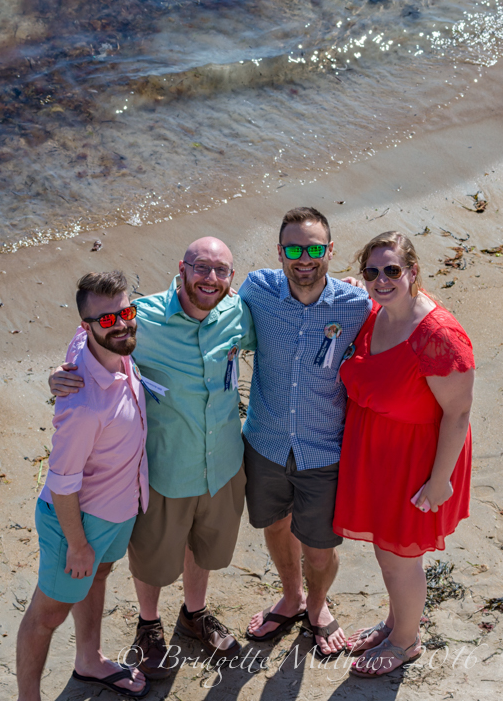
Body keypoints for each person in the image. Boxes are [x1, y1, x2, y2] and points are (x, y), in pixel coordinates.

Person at [49, 238, 256, 678]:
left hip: (222, 463)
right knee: (152, 557)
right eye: (201, 267)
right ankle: (148, 625)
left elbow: (279, 323)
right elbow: (92, 334)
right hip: (165, 468)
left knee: (203, 546)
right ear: (182, 268)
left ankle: (195, 614)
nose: (210, 278)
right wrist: (62, 371)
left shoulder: (238, 312)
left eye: (221, 270)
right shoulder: (141, 315)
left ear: (231, 277)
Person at [332, 231, 475, 677]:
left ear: (413, 271)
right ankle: (396, 623)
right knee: (388, 550)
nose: (381, 279)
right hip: (379, 449)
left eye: (392, 270)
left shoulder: (438, 334)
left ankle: (405, 642)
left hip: (418, 458)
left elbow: (459, 412)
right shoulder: (376, 311)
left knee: (400, 556)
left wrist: (439, 480)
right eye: (371, 271)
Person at [239, 207, 372, 658]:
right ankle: (292, 596)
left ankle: (317, 605)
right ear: (279, 252)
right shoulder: (256, 290)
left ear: (330, 251)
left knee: (319, 547)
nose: (304, 259)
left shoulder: (356, 305)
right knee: (276, 525)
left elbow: (406, 315)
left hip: (324, 450)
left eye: (314, 249)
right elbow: (196, 302)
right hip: (266, 442)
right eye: (293, 249)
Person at [17, 271, 150, 700]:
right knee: (47, 614)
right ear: (86, 325)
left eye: (126, 312)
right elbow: (61, 483)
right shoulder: (84, 403)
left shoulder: (97, 345)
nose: (121, 324)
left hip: (116, 511)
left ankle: (89, 660)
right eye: (107, 319)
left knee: (99, 577)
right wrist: (76, 545)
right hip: (76, 522)